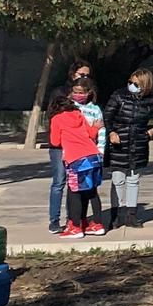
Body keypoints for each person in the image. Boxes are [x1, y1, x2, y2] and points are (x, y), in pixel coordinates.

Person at [103, 68, 153, 229]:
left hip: (139, 142)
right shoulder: (119, 95)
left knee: (133, 180)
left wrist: (152, 131)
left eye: (136, 84)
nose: (132, 85)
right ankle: (116, 214)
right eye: (130, 82)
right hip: (119, 143)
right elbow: (107, 116)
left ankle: (131, 215)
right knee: (118, 179)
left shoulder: (151, 100)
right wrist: (112, 132)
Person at [47, 77, 103, 234]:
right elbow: (90, 133)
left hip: (76, 159)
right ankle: (97, 224)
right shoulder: (78, 114)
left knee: (74, 192)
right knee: (92, 190)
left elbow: (55, 141)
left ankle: (75, 227)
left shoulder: (57, 118)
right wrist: (96, 127)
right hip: (94, 155)